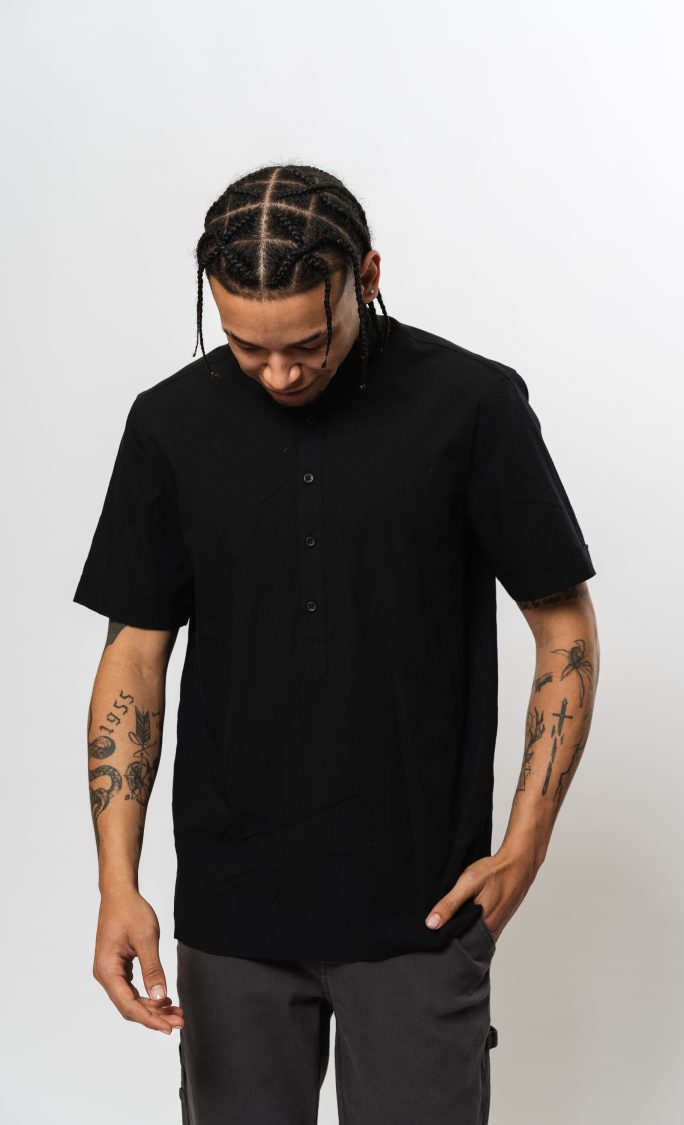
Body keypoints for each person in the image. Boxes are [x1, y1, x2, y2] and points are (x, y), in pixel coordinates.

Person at [74, 163, 600, 1124]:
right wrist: (118, 882)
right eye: (247, 347)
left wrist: (525, 844)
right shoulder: (168, 423)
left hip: (421, 911)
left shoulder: (472, 404)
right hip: (232, 912)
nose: (280, 374)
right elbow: (135, 655)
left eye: (306, 345)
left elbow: (562, 625)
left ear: (367, 275)